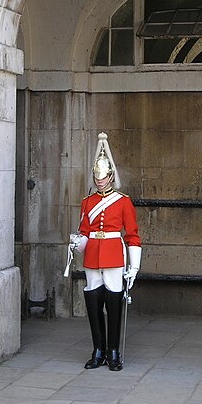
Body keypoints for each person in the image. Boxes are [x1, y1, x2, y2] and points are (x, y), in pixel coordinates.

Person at [69, 132, 141, 371]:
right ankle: (98, 349)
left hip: (113, 255)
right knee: (93, 302)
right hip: (92, 257)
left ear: (111, 176)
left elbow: (131, 235)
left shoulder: (122, 202)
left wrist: (134, 265)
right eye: (97, 177)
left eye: (103, 176)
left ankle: (113, 351)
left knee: (113, 303)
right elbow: (85, 232)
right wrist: (75, 244)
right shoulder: (87, 202)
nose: (100, 180)